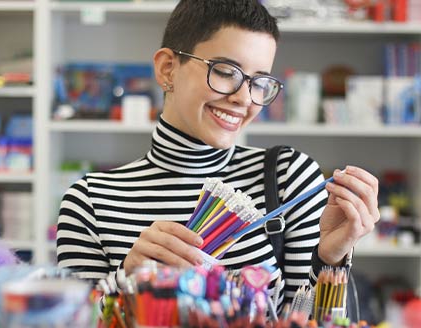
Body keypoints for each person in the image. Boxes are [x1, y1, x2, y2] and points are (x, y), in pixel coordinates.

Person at [57, 0, 380, 308]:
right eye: (226, 71)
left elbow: (314, 323)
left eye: (260, 81)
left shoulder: (287, 177)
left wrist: (331, 259)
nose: (244, 98)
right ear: (168, 69)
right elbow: (66, 321)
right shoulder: (90, 201)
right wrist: (125, 281)